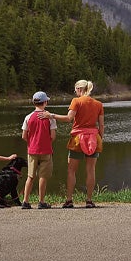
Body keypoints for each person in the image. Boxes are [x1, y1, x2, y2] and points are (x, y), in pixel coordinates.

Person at [41, 80, 104, 208]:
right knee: (91, 170)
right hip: (93, 138)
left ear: (79, 89)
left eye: (75, 90)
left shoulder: (76, 101)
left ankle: (69, 200)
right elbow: (101, 125)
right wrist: (99, 139)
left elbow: (69, 118)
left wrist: (50, 115)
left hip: (77, 139)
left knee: (71, 170)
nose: (75, 92)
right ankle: (89, 200)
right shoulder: (98, 104)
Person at [20, 91, 57, 209]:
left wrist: (32, 143)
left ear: (33, 102)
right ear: (45, 102)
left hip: (32, 151)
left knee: (30, 176)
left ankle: (25, 201)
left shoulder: (28, 117)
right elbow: (53, 136)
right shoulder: (49, 117)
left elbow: (24, 136)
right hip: (46, 151)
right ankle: (41, 201)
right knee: (43, 177)